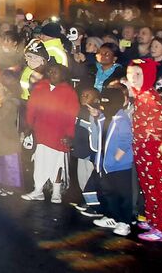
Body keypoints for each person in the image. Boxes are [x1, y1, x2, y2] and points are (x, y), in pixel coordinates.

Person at [126, 58, 162, 242]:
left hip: (152, 149)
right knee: (148, 186)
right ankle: (154, 220)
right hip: (143, 147)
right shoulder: (141, 94)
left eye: (138, 74)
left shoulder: (149, 96)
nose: (133, 78)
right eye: (130, 74)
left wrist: (149, 137)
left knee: (157, 187)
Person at [22, 63, 79, 204]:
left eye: (55, 72)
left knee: (57, 163)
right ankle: (38, 190)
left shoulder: (69, 92)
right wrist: (29, 125)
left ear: (63, 75)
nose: (51, 74)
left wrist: (69, 134)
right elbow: (31, 108)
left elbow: (72, 115)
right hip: (41, 132)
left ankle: (56, 192)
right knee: (39, 161)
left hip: (59, 133)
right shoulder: (40, 87)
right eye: (49, 72)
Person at [91, 86, 134, 237]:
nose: (104, 106)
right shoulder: (105, 117)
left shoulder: (122, 119)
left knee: (123, 195)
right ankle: (112, 216)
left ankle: (125, 222)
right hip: (106, 164)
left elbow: (126, 140)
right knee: (109, 193)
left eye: (106, 103)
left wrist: (116, 158)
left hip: (120, 166)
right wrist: (96, 116)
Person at [71, 87, 103, 217]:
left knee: (90, 179)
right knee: (82, 178)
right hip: (81, 151)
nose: (83, 97)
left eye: (87, 95)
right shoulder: (80, 111)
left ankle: (95, 205)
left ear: (96, 99)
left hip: (89, 152)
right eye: (82, 94)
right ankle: (87, 200)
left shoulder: (95, 113)